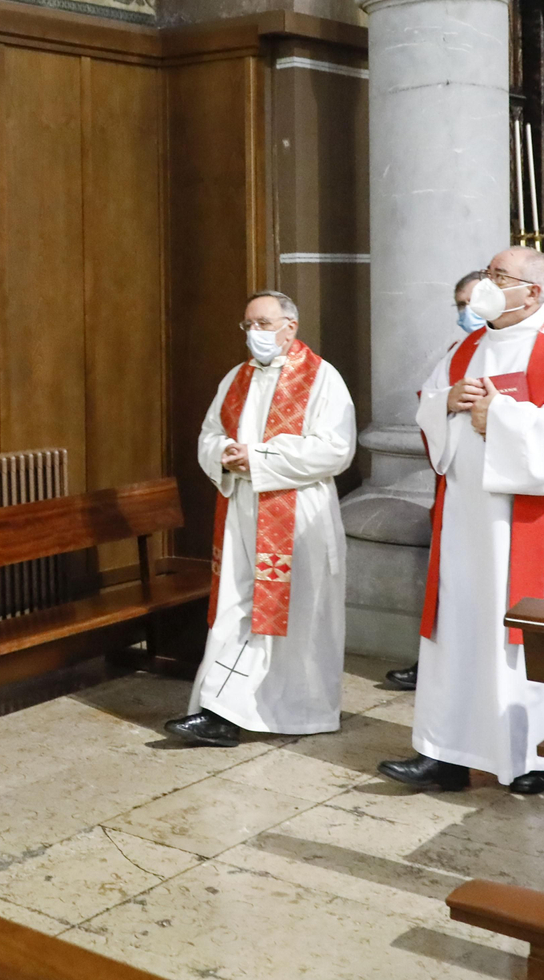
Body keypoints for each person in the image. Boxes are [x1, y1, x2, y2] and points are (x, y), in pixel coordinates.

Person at [377, 249, 544, 796]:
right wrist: (447, 403)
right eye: (486, 273)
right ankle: (445, 754)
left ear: (533, 292)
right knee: (460, 632)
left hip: (535, 528)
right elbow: (430, 408)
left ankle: (532, 756)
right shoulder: (468, 347)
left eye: (498, 277)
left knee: (521, 638)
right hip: (467, 525)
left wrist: (497, 418)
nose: (486, 284)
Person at [164, 292, 357, 747]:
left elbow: (335, 449)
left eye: (264, 324)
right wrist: (225, 456)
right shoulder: (237, 377)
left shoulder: (323, 378)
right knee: (237, 607)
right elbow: (210, 434)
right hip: (242, 508)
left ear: (290, 327)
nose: (255, 334)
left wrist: (261, 457)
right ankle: (219, 711)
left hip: (298, 513)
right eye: (248, 325)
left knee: (293, 617)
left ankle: (295, 710)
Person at [384, 269, 490, 694]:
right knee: (449, 580)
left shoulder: (533, 350)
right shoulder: (457, 352)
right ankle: (439, 660)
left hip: (505, 493)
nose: (466, 313)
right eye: (460, 306)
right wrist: (445, 401)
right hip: (458, 487)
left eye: (472, 303)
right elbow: (427, 404)